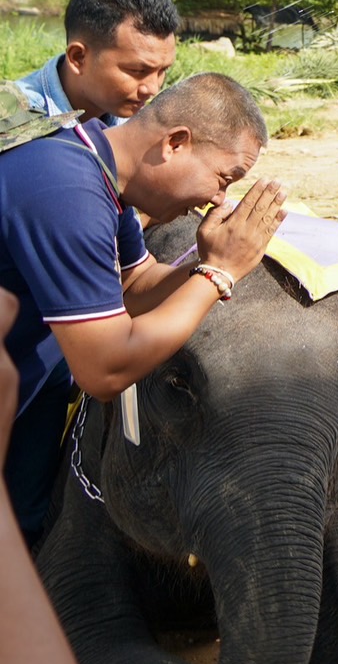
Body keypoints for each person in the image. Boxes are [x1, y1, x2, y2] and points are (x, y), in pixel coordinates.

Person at [0, 73, 285, 544]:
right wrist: (220, 275)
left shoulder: (96, 165)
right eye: (223, 178)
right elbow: (105, 370)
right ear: (175, 143)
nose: (219, 198)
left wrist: (210, 256)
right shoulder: (65, 191)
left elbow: (136, 283)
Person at [0, 287, 81, 664]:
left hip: (45, 364)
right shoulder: (64, 223)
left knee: (26, 514)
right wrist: (216, 273)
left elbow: (136, 269)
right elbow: (106, 365)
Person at [15, 0, 177, 126]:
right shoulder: (13, 125)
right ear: (78, 58)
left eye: (163, 71)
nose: (152, 89)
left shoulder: (146, 122)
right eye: (137, 70)